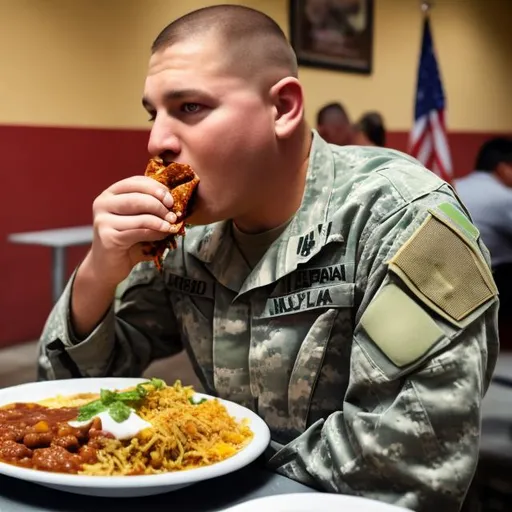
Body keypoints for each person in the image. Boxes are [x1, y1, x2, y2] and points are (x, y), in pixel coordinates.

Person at [38, 5, 499, 511]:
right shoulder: (191, 236)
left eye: (189, 107)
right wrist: (100, 273)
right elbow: (65, 405)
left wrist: (204, 458)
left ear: (282, 108)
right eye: (154, 114)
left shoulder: (403, 219)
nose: (157, 141)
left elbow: (407, 462)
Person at [455, 137, 512, 325]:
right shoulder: (505, 197)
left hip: (450, 283)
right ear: (503, 167)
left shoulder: (453, 186)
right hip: (494, 286)